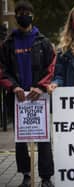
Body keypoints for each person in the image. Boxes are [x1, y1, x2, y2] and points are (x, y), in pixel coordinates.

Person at [0, 0, 56, 186]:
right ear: (15, 17)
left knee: (43, 138)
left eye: (27, 12)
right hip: (18, 99)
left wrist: (40, 86)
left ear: (32, 16)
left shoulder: (43, 42)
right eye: (20, 12)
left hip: (39, 97)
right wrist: (13, 86)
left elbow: (52, 67)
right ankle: (26, 174)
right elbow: (2, 69)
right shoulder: (8, 44)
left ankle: (46, 177)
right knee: (20, 140)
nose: (23, 15)